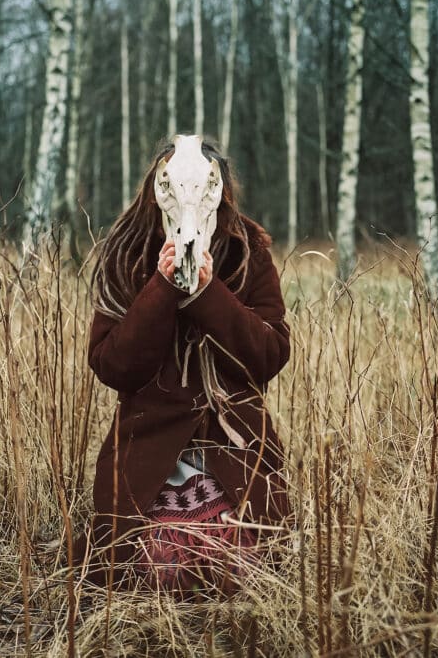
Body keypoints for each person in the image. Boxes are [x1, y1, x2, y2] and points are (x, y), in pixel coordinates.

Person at [81, 136, 291, 596]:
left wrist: (208, 294)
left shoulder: (247, 252)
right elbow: (114, 366)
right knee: (146, 567)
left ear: (221, 192)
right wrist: (162, 287)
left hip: (233, 448)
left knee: (250, 563)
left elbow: (269, 356)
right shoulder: (128, 254)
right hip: (149, 450)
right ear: (157, 191)